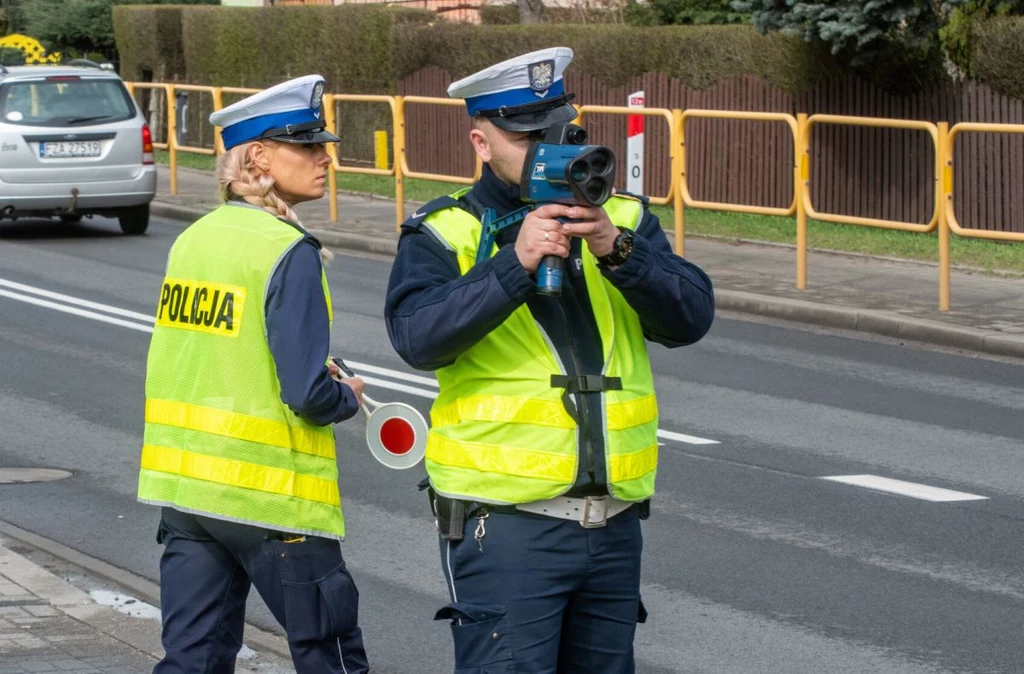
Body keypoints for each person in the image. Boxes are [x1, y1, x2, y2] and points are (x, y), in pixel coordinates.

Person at [384, 48, 715, 673]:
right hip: (505, 526)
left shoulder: (621, 219)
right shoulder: (447, 229)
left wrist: (619, 251)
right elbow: (416, 337)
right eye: (527, 135)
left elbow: (691, 319)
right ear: (482, 142)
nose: (547, 147)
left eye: (560, 129)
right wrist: (514, 264)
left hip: (614, 524)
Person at [136, 75, 370, 674]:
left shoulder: (193, 238)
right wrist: (345, 396)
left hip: (189, 495)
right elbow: (307, 395)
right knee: (332, 660)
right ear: (259, 158)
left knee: (193, 661)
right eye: (307, 146)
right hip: (271, 504)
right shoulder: (288, 249)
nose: (325, 159)